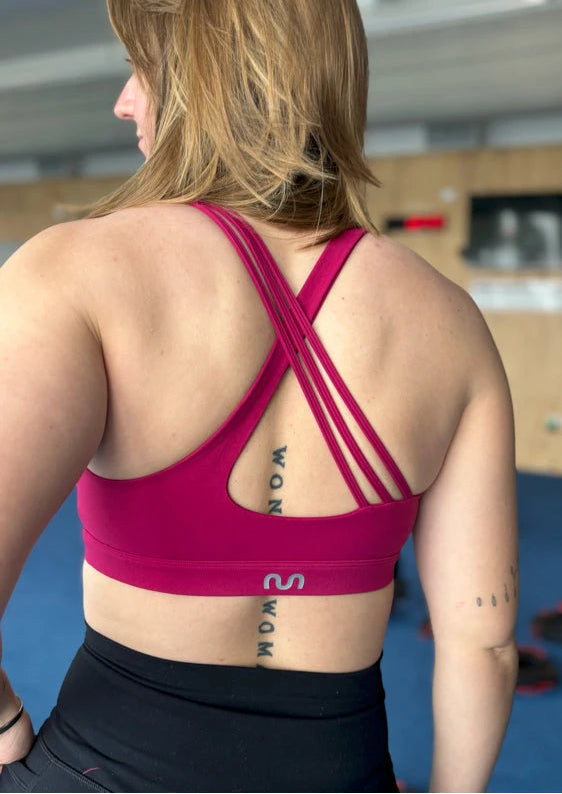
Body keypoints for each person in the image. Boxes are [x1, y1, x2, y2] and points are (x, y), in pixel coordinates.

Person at [0, 1, 519, 791]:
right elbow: (484, 646)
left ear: (195, 81)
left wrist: (6, 727)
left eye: (140, 68)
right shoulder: (449, 320)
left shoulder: (72, 274)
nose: (124, 99)